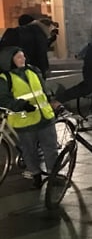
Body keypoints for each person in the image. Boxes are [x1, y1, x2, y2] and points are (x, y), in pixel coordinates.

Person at [0, 46, 59, 188]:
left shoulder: (33, 70)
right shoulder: (5, 78)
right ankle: (36, 175)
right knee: (29, 152)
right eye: (19, 57)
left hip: (45, 117)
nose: (23, 59)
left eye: (23, 56)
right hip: (25, 120)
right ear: (10, 60)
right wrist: (21, 105)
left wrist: (52, 100)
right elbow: (3, 99)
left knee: (50, 149)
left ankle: (53, 175)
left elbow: (44, 89)